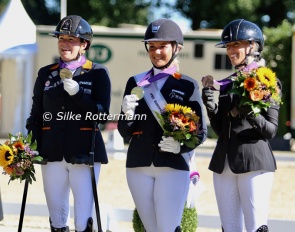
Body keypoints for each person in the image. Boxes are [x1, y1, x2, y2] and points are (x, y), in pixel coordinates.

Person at [117, 18, 207, 232]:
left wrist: (181, 147)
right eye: (152, 47)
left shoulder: (187, 85)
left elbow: (201, 132)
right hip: (138, 165)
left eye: (162, 47)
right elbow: (124, 132)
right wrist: (126, 114)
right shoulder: (136, 82)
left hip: (172, 166)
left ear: (177, 48)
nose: (156, 52)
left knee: (168, 228)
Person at [26, 15, 111, 232]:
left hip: (84, 152)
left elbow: (101, 116)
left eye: (71, 39)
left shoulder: (98, 73)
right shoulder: (47, 73)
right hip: (51, 152)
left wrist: (78, 94)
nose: (65, 43)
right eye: (61, 38)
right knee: (56, 217)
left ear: (84, 45)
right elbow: (36, 115)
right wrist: (29, 149)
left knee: (83, 221)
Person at [201, 19, 281, 232]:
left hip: (254, 160)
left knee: (255, 227)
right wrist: (211, 107)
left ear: (253, 46)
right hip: (223, 162)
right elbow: (221, 130)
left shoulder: (267, 82)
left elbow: (271, 130)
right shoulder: (228, 84)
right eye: (228, 45)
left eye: (236, 44)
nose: (230, 50)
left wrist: (250, 112)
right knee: (229, 228)